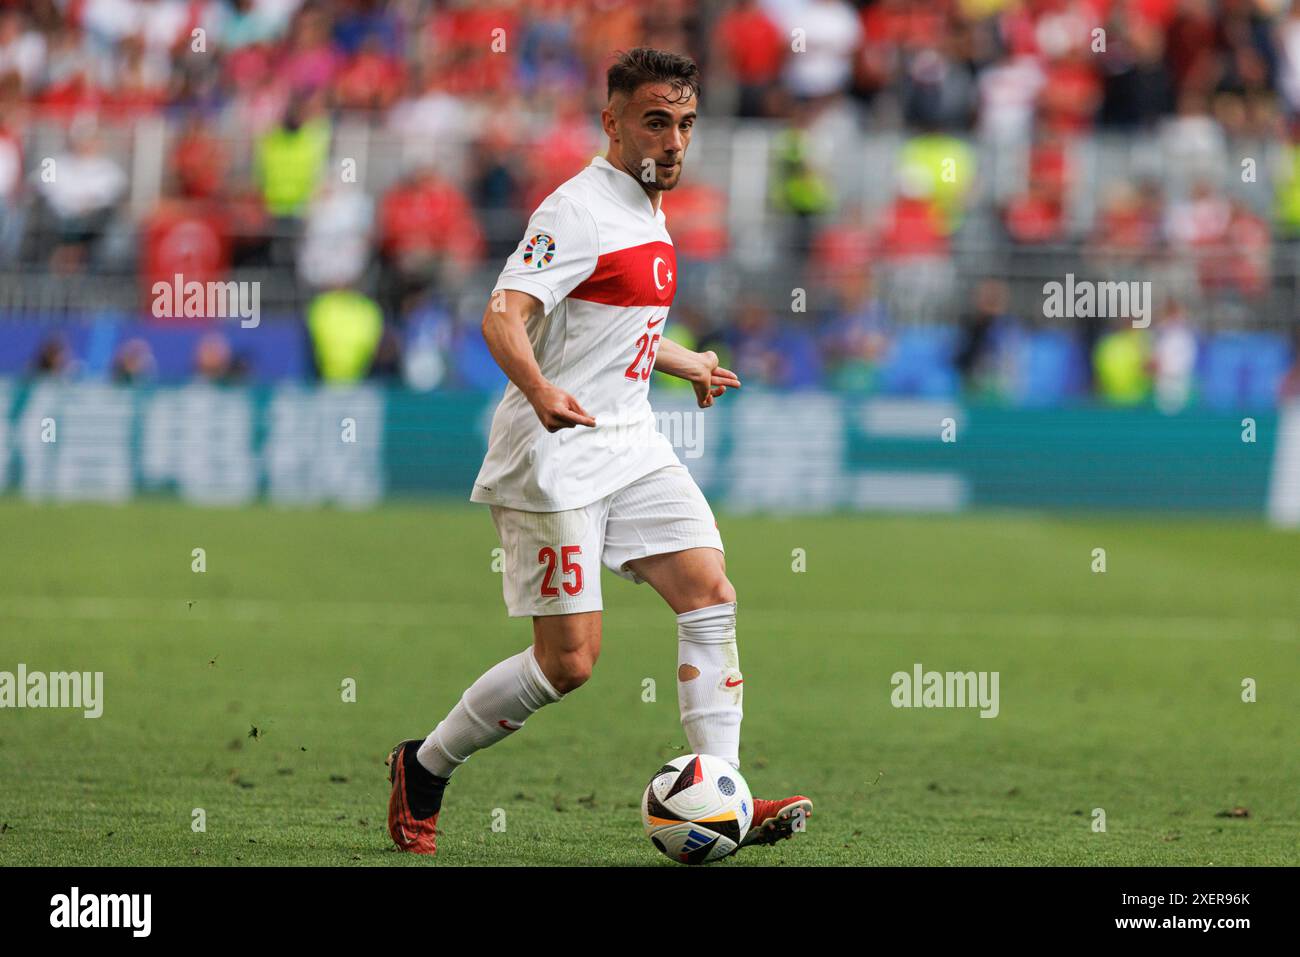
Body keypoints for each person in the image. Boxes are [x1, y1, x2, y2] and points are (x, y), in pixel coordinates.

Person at [386, 48, 813, 857]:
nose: (675, 140)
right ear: (612, 122)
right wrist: (543, 392)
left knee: (708, 590)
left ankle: (722, 793)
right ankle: (425, 765)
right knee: (568, 664)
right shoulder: (576, 211)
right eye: (657, 121)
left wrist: (682, 360)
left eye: (686, 123)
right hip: (554, 453)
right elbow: (502, 317)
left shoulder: (645, 206)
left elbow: (607, 328)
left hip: (630, 440)